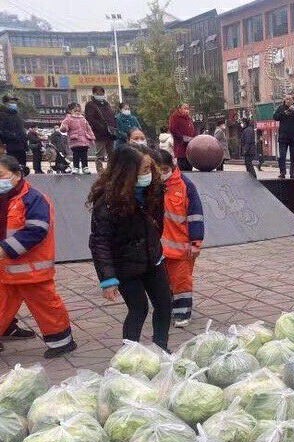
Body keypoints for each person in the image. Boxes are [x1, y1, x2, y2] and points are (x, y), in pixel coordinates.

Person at [87, 145, 171, 351]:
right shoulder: (108, 201)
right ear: (127, 172)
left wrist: (152, 247)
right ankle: (129, 355)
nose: (149, 175)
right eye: (143, 171)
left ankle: (161, 349)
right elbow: (100, 242)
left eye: (150, 169)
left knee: (164, 304)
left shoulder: (155, 189)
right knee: (138, 309)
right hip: (124, 265)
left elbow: (156, 224)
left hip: (152, 259)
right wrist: (107, 279)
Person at [0, 154, 77, 357]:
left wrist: (4, 249)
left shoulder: (33, 199)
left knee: (47, 308)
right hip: (5, 271)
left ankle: (61, 342)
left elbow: (37, 230)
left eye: (1, 175)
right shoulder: (5, 199)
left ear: (17, 175)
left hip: (31, 271)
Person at [158, 149, 204, 326]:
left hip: (182, 247)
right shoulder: (153, 185)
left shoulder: (186, 186)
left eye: (164, 169)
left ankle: (182, 313)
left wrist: (196, 243)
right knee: (165, 282)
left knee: (182, 283)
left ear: (172, 166)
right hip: (160, 247)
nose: (162, 174)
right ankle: (169, 308)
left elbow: (196, 216)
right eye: (158, 170)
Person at [84, 86, 116, 174]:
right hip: (99, 134)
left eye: (102, 93)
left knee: (111, 154)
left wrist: (113, 127)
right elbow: (90, 119)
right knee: (100, 154)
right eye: (98, 94)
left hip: (110, 134)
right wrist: (101, 127)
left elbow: (111, 117)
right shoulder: (90, 105)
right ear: (93, 94)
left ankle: (110, 170)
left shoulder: (106, 104)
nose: (100, 95)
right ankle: (100, 170)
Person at [273, 93, 294, 179]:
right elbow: (275, 117)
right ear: (284, 100)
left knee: (293, 157)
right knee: (282, 156)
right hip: (283, 137)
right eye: (286, 99)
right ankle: (282, 172)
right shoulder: (281, 108)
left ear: (293, 100)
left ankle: (292, 173)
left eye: (290, 99)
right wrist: (284, 113)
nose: (288, 101)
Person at [60, 102, 95, 175]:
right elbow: (64, 126)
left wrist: (92, 137)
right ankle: (76, 167)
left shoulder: (83, 119)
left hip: (84, 140)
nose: (77, 112)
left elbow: (89, 129)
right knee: (76, 154)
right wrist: (64, 128)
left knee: (84, 155)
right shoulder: (68, 119)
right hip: (74, 140)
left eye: (79, 111)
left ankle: (85, 167)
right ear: (70, 111)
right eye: (75, 111)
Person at [0, 96, 27, 172]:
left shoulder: (18, 116)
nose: (14, 104)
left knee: (22, 167)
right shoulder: (2, 115)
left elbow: (22, 131)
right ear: (6, 103)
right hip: (10, 146)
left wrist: (25, 143)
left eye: (15, 102)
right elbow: (2, 131)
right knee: (12, 167)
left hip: (21, 146)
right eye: (11, 102)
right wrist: (13, 136)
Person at [168, 103, 196, 172]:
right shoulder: (175, 117)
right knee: (183, 171)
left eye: (188, 109)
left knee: (190, 169)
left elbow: (193, 130)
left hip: (190, 149)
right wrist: (183, 138)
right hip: (181, 148)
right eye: (185, 108)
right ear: (180, 109)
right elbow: (173, 129)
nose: (187, 111)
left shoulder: (189, 118)